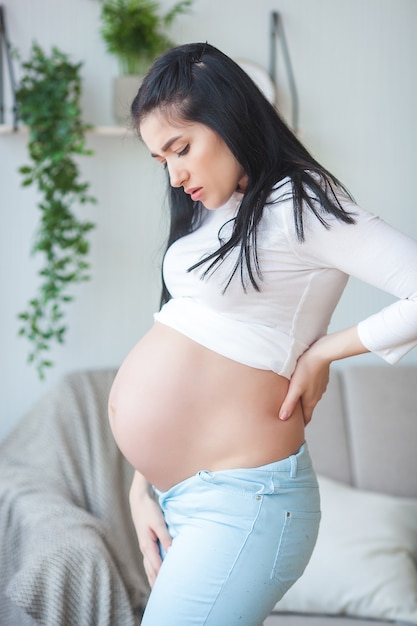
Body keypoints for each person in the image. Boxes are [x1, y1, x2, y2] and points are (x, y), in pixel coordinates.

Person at [108, 42, 417, 625]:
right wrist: (140, 488)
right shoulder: (211, 208)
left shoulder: (302, 203)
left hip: (245, 505)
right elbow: (189, 332)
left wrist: (327, 351)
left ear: (227, 118)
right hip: (187, 501)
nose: (176, 176)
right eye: (161, 160)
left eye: (182, 148)